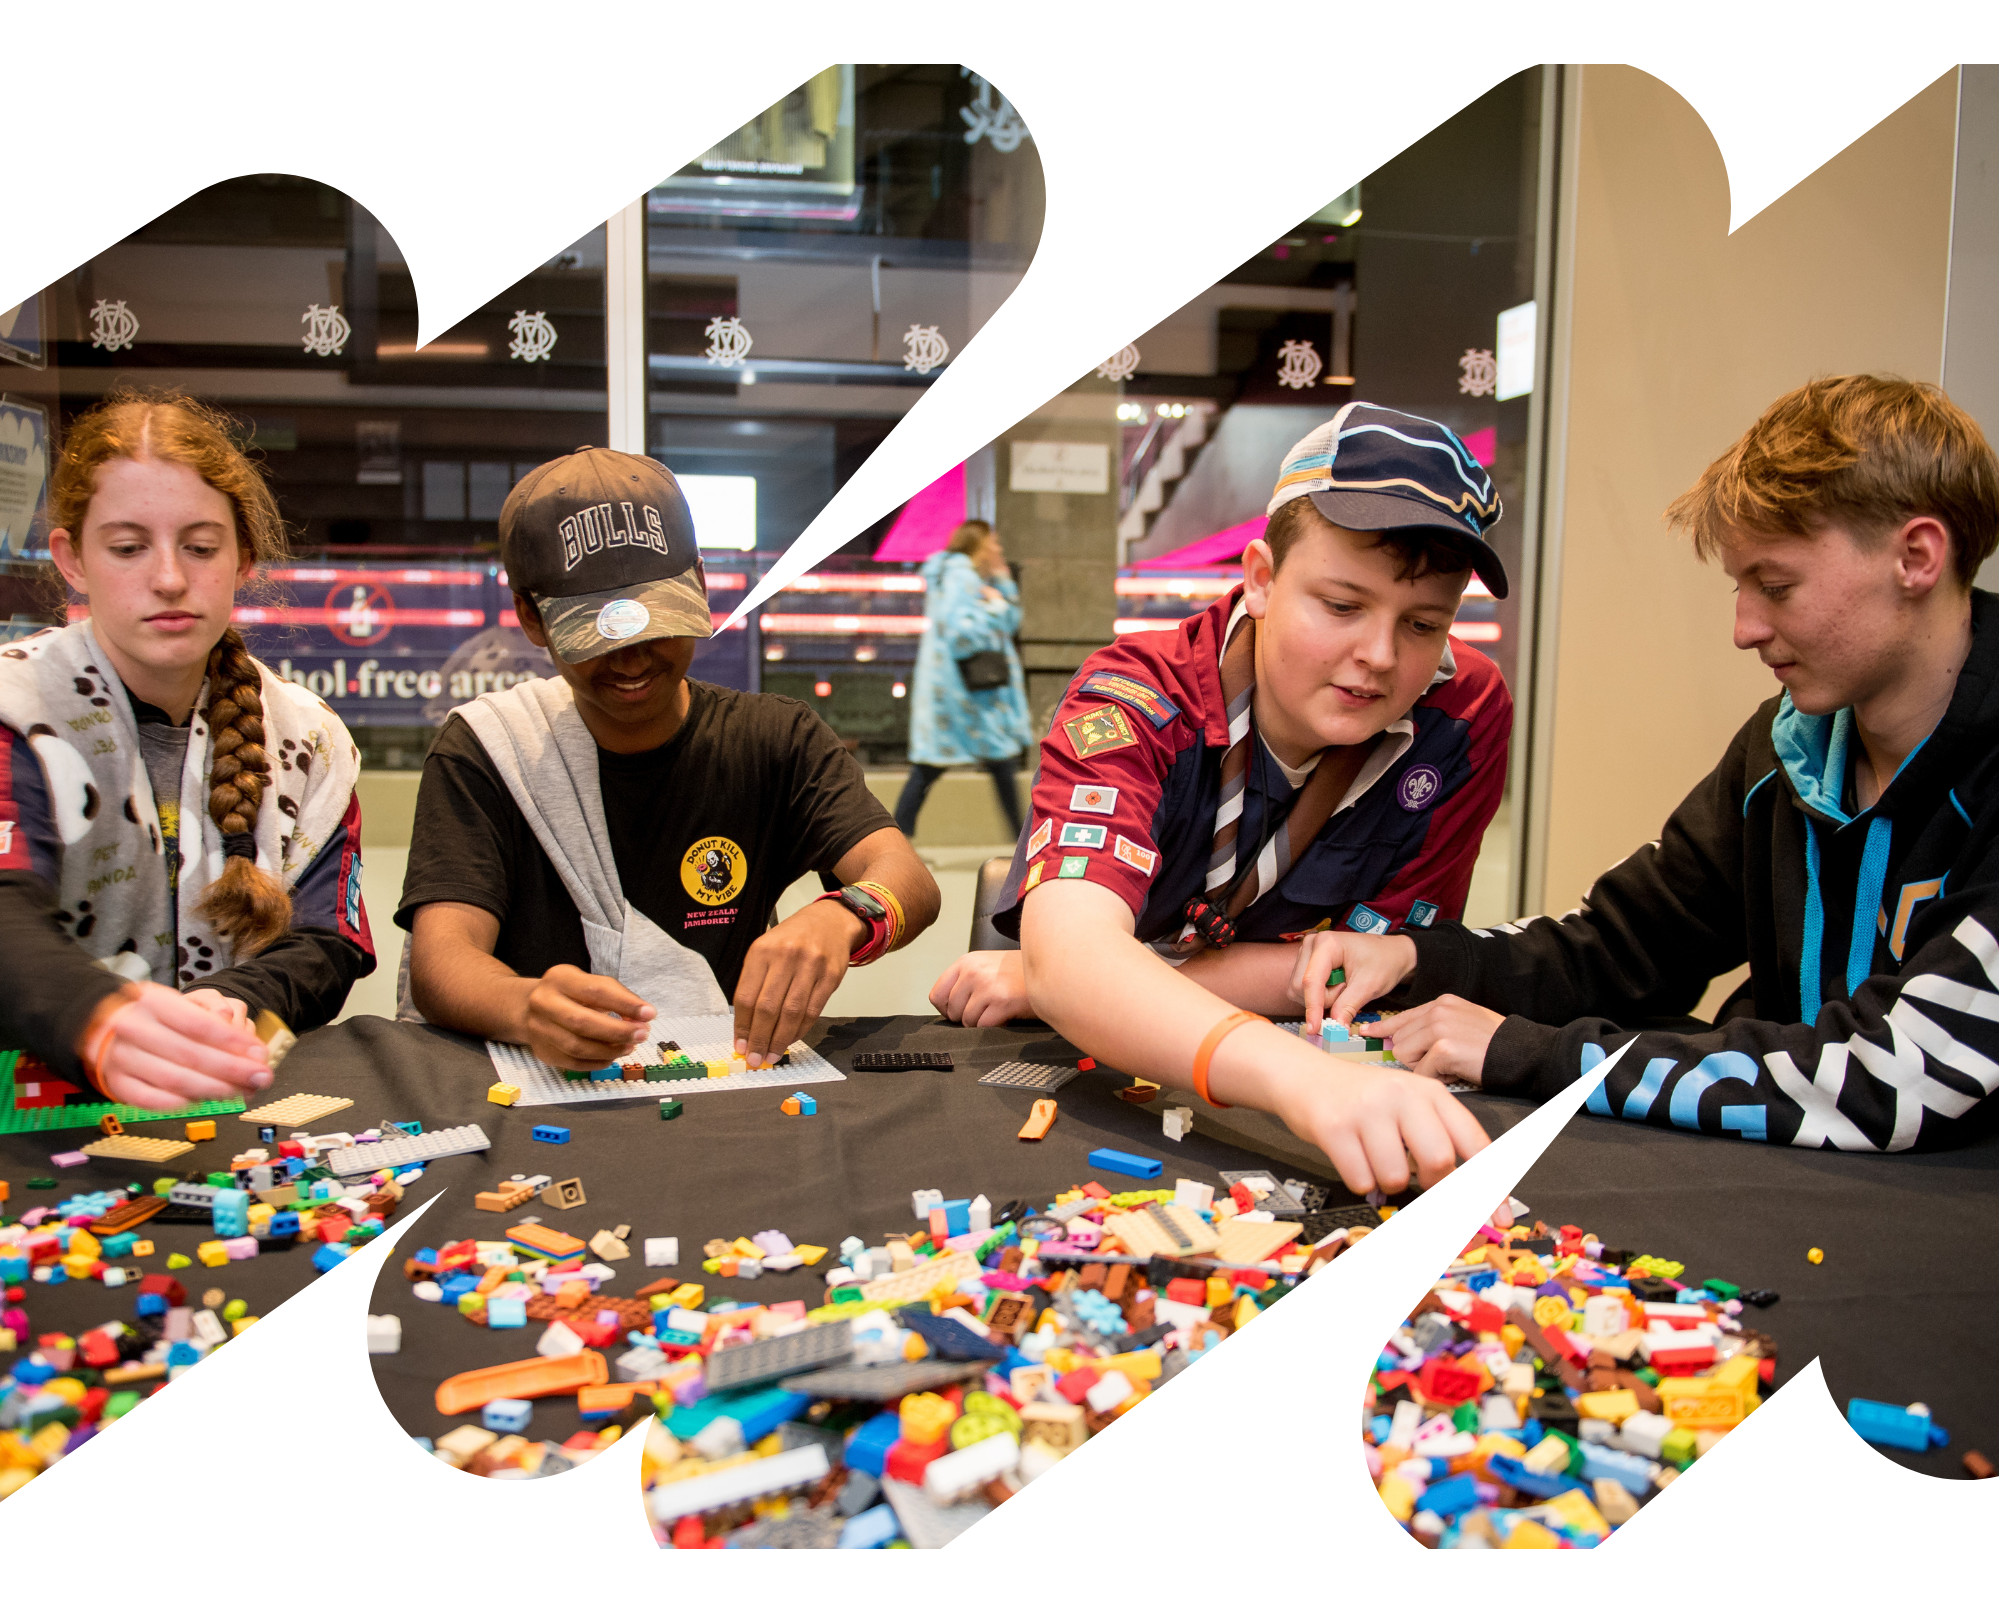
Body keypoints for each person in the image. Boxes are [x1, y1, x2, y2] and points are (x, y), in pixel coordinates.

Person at [1305, 376, 1997, 1154]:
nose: (1745, 627)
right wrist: (1418, 958)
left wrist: (1527, 1051)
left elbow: (1893, 1079)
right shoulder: (1790, 740)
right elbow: (1625, 944)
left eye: (1776, 586)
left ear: (1917, 556)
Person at [933, 404, 1516, 1196]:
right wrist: (1068, 975)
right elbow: (1073, 952)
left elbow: (1368, 975)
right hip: (1158, 1103)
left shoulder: (1466, 712)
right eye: (1342, 606)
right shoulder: (1133, 696)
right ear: (1262, 579)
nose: (1378, 657)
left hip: (1309, 1087)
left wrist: (1072, 981)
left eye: (1423, 623)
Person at [399, 446, 941, 1074]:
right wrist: (526, 1007)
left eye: (654, 621)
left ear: (700, 584)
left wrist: (845, 912)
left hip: (721, 1079)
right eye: (596, 631)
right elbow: (443, 965)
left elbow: (908, 880)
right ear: (531, 616)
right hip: (541, 1087)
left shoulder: (775, 739)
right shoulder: (488, 751)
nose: (631, 658)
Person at [0, 390, 374, 1110]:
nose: (169, 577)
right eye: (128, 547)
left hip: (229, 1091)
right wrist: (103, 1019)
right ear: (72, 558)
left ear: (243, 559)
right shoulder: (16, 708)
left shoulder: (309, 736)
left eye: (201, 547)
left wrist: (235, 1002)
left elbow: (329, 941)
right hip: (36, 1107)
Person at [893, 520, 1032, 843]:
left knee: (940, 767)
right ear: (978, 546)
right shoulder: (961, 578)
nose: (998, 549)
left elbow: (1009, 624)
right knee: (981, 764)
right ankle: (1021, 841)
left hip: (962, 696)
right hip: (964, 696)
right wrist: (996, 605)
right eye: (993, 543)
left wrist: (1004, 585)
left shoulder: (967, 578)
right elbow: (962, 635)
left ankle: (900, 837)